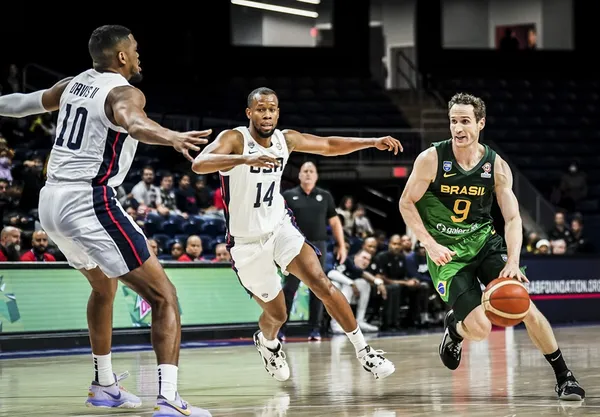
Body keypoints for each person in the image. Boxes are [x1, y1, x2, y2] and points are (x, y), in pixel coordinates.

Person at [0, 24, 213, 416]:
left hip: (51, 203)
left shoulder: (73, 84)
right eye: (134, 49)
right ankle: (168, 401)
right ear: (120, 57)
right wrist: (171, 136)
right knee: (164, 296)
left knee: (104, 288)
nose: (137, 55)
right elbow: (134, 122)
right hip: (89, 200)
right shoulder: (124, 91)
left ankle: (104, 385)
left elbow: (19, 104)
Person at [192, 87, 400, 381]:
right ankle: (268, 343)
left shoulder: (284, 140)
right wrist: (244, 160)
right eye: (261, 109)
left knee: (321, 282)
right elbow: (199, 163)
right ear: (249, 113)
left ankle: (365, 352)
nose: (267, 114)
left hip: (279, 227)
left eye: (272, 109)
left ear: (278, 113)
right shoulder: (235, 139)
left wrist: (371, 142)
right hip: (246, 243)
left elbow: (328, 145)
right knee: (278, 315)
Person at [399, 92, 585, 401]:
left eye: (465, 122)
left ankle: (564, 376)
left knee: (523, 305)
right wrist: (429, 244)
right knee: (482, 329)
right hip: (448, 255)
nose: (458, 129)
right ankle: (456, 330)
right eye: (453, 122)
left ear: (480, 123)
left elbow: (512, 218)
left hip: (485, 243)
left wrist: (513, 260)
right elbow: (406, 203)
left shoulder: (496, 166)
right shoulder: (431, 159)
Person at [281, 161, 346, 341]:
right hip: (294, 245)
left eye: (311, 171)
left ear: (316, 176)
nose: (308, 174)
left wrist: (342, 245)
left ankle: (315, 330)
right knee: (290, 288)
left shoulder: (325, 196)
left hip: (319, 245)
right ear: (299, 175)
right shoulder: (288, 195)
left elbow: (334, 222)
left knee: (318, 288)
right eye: (305, 171)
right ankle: (281, 329)